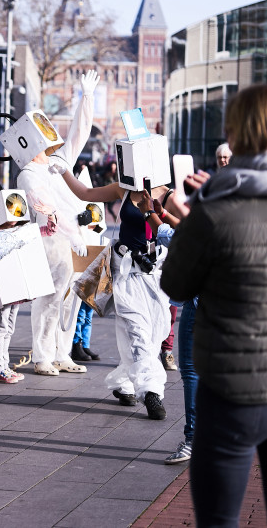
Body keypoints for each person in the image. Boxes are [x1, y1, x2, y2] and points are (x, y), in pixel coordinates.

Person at [161, 85, 267, 526]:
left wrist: (192, 218)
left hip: (231, 391)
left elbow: (175, 284)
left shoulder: (217, 206)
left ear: (237, 132)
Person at [57, 171, 172, 420]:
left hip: (155, 276)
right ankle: (151, 391)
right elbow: (86, 193)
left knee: (154, 335)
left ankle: (124, 381)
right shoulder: (124, 188)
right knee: (137, 331)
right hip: (126, 273)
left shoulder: (167, 193)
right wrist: (63, 170)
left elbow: (186, 227)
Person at [17, 70, 99, 377]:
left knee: (71, 299)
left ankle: (62, 352)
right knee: (49, 299)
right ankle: (43, 355)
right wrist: (71, 232)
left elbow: (80, 133)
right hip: (50, 241)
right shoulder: (28, 173)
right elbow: (46, 207)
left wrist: (86, 97)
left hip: (75, 239)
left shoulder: (58, 161)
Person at [0, 206, 52, 385]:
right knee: (1, 328)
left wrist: (51, 216)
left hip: (17, 290)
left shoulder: (23, 231)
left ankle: (4, 366)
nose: (13, 216)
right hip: (3, 290)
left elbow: (47, 231)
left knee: (9, 328)